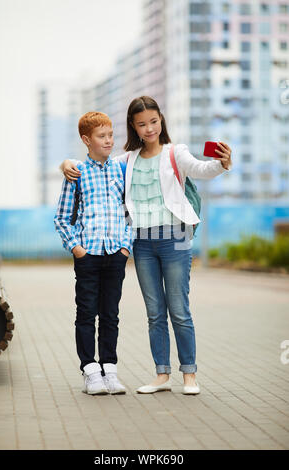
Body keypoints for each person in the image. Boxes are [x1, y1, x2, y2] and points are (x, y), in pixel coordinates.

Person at [61, 96, 232, 395]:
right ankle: (161, 375)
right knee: (154, 312)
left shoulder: (175, 153)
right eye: (142, 124)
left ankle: (189, 375)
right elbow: (91, 164)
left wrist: (221, 163)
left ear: (161, 120)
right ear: (134, 128)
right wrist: (65, 163)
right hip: (142, 244)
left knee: (179, 309)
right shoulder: (126, 160)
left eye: (154, 121)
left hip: (175, 240)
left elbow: (201, 169)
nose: (149, 128)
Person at [54, 111, 134, 395]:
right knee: (87, 313)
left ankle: (109, 369)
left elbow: (130, 213)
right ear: (87, 140)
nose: (109, 140)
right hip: (88, 255)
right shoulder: (76, 172)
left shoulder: (121, 170)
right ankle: (91, 372)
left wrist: (126, 247)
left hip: (115, 253)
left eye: (111, 135)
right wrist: (76, 248)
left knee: (110, 314)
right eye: (102, 136)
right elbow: (62, 217)